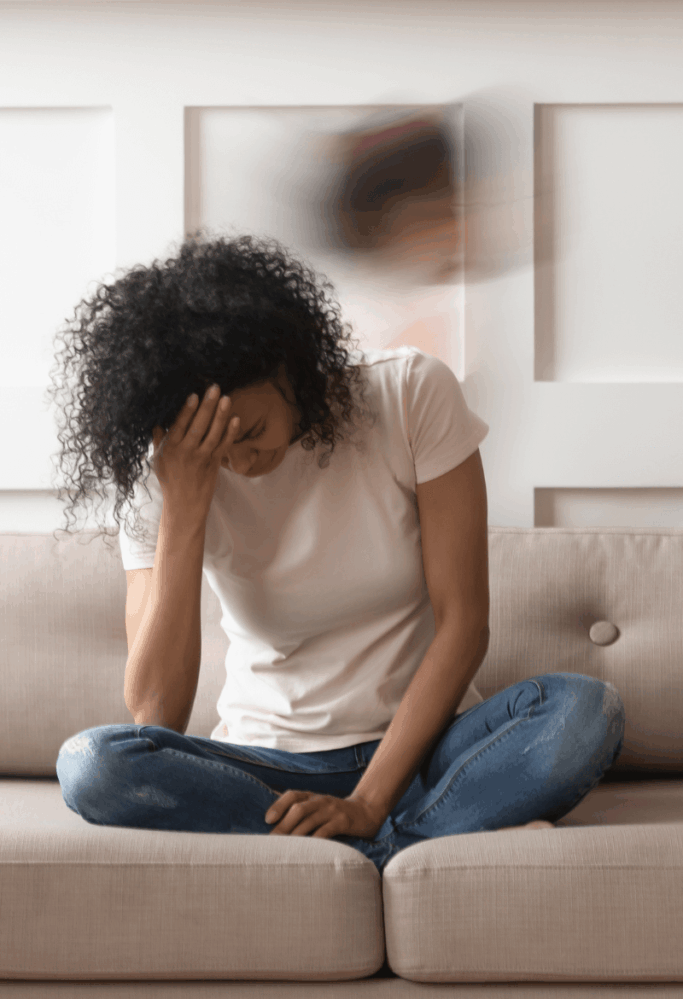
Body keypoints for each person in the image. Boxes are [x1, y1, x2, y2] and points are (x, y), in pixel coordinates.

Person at [52, 233, 625, 875]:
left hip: (429, 752)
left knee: (583, 710)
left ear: (288, 367)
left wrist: (368, 802)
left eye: (252, 432)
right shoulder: (169, 475)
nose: (241, 461)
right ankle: (416, 841)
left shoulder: (409, 394)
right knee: (90, 765)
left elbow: (465, 625)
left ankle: (367, 838)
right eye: (220, 450)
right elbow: (156, 714)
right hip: (267, 771)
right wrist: (185, 506)